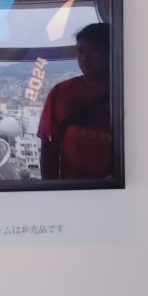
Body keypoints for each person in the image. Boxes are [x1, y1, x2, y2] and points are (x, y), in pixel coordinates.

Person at [38, 23, 112, 180]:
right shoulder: (61, 93)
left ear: (109, 51)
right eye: (81, 51)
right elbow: (48, 151)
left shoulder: (125, 91)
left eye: (93, 50)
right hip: (73, 188)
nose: (84, 58)